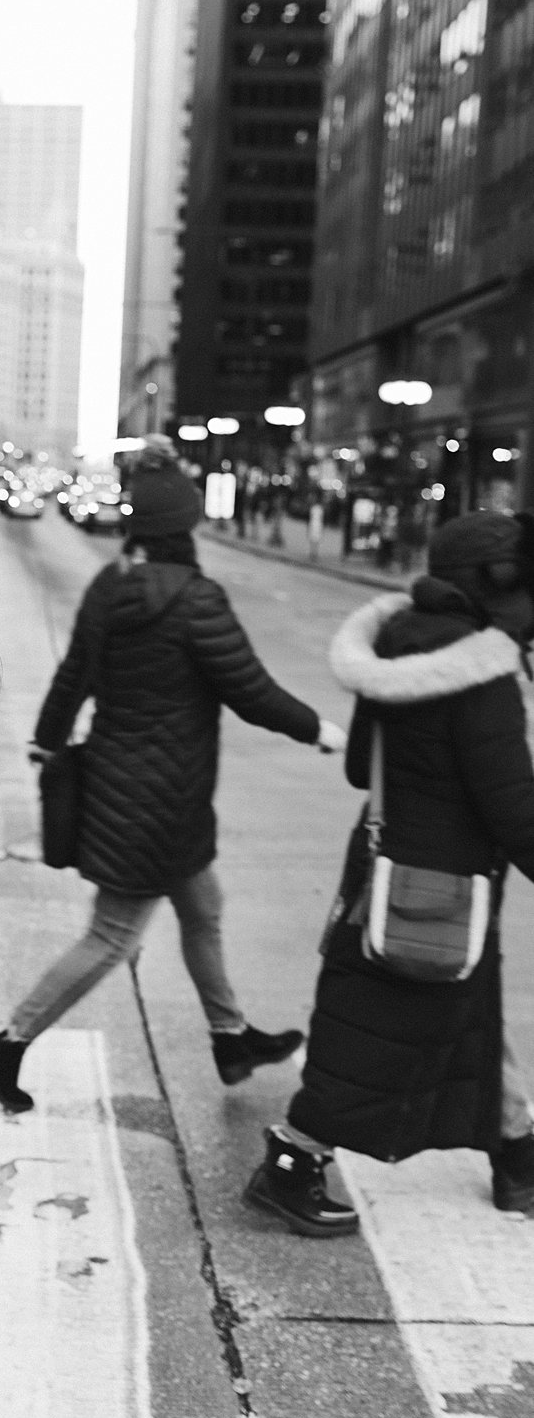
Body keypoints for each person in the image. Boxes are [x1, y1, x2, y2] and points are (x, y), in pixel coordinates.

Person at [0, 437, 346, 1113]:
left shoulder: (112, 587)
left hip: (129, 788)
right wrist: (318, 729)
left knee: (203, 907)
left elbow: (73, 675)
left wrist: (48, 744)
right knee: (112, 935)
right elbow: (249, 690)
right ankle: (5, 1045)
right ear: (185, 528)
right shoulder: (198, 600)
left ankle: (230, 1038)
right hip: (159, 804)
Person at [247, 510, 534, 1235]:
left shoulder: (394, 651)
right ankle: (291, 1159)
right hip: (441, 885)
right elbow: (512, 806)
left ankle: (518, 1152)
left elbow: (357, 767)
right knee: (376, 1037)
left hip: (380, 866)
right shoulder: (483, 676)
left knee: (457, 1014)